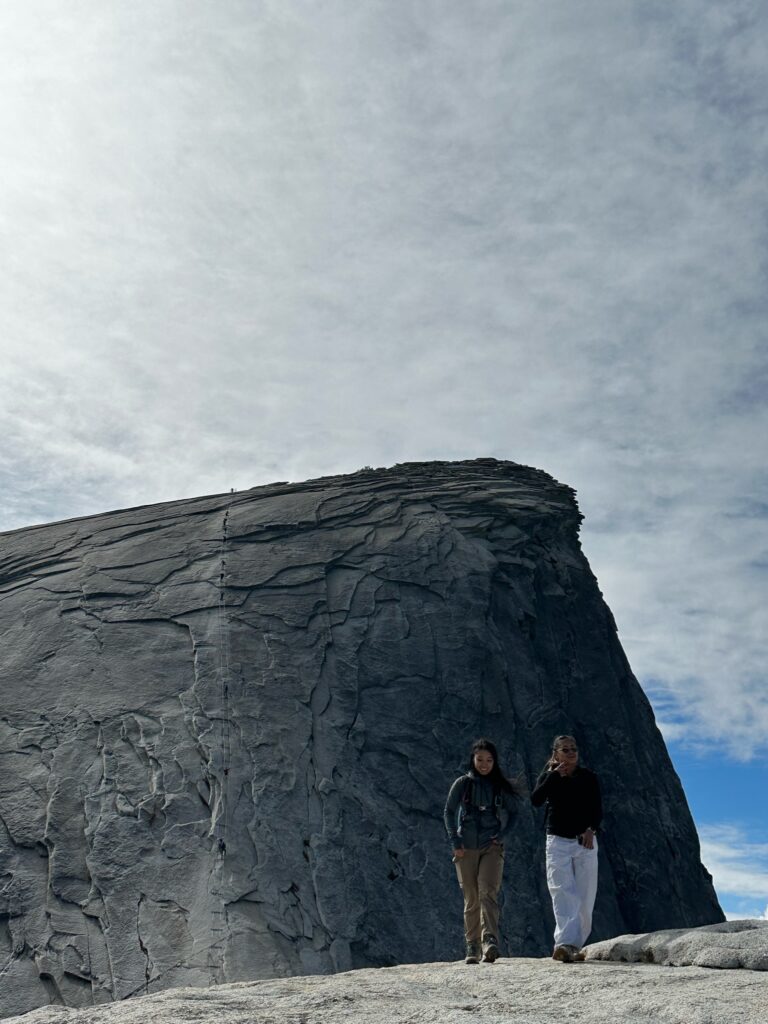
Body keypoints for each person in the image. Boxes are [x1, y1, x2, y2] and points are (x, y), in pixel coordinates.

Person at [444, 738, 520, 964]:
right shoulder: (462, 784)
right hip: (465, 849)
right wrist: (455, 842)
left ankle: (489, 941)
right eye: (480, 760)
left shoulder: (498, 787)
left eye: (489, 760)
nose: (484, 764)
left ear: (494, 762)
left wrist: (502, 837)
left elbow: (514, 813)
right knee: (471, 898)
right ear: (473, 760)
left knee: (488, 891)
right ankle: (472, 946)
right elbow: (448, 811)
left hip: (491, 847)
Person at [531, 734, 602, 963]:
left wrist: (591, 829)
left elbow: (596, 808)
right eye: (565, 750)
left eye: (573, 749)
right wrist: (553, 776)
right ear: (556, 754)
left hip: (585, 842)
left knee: (585, 895)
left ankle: (575, 944)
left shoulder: (588, 777)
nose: (571, 754)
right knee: (562, 891)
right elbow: (536, 799)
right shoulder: (550, 777)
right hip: (557, 841)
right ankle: (564, 944)